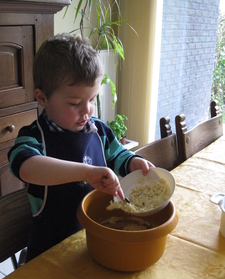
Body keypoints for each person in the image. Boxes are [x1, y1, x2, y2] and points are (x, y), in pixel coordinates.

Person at [8, 33, 154, 262]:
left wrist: (133, 162)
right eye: (75, 103)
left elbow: (119, 156)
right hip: (49, 254)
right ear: (42, 98)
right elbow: (25, 166)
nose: (87, 111)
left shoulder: (99, 131)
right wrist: (86, 172)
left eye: (93, 99)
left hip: (94, 242)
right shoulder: (33, 137)